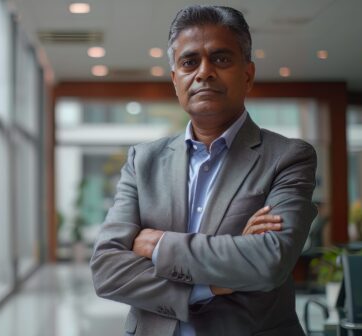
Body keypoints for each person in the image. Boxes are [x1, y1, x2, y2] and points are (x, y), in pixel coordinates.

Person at [90, 5, 317, 336]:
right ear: (175, 80)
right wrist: (211, 284)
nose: (204, 72)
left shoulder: (287, 157)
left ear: (248, 74)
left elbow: (270, 262)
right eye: (189, 62)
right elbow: (107, 271)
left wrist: (159, 246)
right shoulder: (143, 161)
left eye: (221, 59)